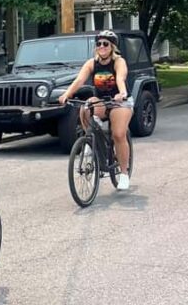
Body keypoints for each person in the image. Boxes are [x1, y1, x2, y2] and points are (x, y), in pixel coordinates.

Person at [57, 30, 133, 190]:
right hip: (102, 101)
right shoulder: (92, 63)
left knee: (119, 134)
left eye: (105, 44)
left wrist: (122, 93)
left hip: (120, 101)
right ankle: (91, 141)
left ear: (112, 47)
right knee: (86, 106)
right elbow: (79, 80)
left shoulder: (119, 62)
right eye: (99, 44)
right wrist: (66, 94)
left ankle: (124, 174)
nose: (101, 47)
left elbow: (120, 78)